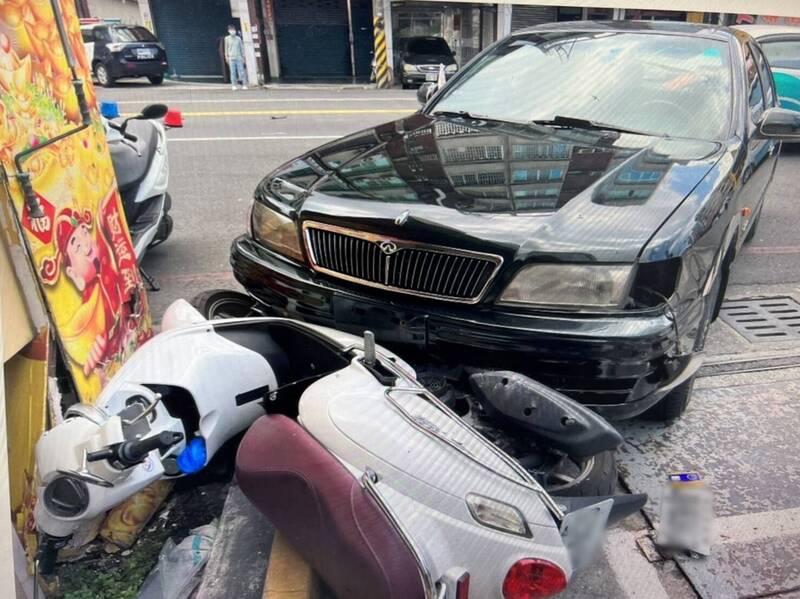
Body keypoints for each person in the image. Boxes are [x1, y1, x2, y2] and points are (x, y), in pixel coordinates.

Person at [224, 25, 247, 90]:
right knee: (233, 72)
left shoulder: (238, 39)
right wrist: (226, 57)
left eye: (233, 30)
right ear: (228, 31)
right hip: (231, 58)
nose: (233, 31)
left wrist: (243, 57)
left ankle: (244, 84)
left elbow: (241, 48)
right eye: (231, 30)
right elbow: (226, 48)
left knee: (241, 71)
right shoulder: (227, 39)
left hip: (239, 57)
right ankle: (234, 85)